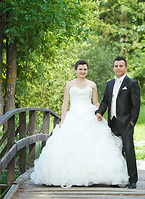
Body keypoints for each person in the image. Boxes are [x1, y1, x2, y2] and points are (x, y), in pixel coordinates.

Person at [31, 60, 128, 188]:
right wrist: (63, 120)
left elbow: (96, 102)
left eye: (85, 69)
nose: (83, 72)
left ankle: (93, 175)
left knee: (93, 144)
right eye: (80, 69)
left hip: (89, 115)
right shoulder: (69, 84)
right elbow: (65, 103)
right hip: (74, 115)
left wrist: (99, 114)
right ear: (75, 70)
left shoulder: (92, 84)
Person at [95, 57, 140, 189]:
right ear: (113, 68)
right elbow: (105, 101)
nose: (118, 68)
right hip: (112, 122)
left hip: (126, 122)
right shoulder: (109, 84)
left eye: (121, 66)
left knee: (128, 149)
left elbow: (136, 105)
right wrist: (99, 112)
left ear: (126, 68)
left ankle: (133, 180)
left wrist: (132, 121)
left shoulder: (132, 83)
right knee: (115, 150)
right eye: (116, 66)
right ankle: (119, 177)